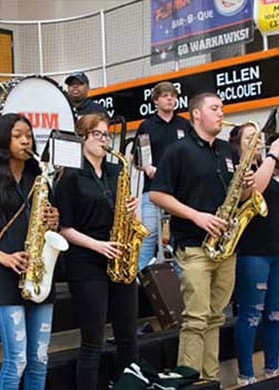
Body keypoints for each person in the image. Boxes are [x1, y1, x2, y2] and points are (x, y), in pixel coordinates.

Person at [149, 92, 255, 380]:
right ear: (196, 114)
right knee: (196, 320)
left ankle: (211, 380)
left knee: (216, 318)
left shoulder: (227, 151)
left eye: (222, 108)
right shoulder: (178, 150)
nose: (221, 113)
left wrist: (246, 186)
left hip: (226, 247)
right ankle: (190, 380)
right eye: (214, 108)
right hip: (195, 247)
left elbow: (240, 196)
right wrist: (196, 215)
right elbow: (157, 193)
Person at [0, 113, 60, 389]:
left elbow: (50, 225)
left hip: (39, 275)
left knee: (39, 359)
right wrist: (5, 258)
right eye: (18, 135)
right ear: (3, 139)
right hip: (6, 279)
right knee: (16, 360)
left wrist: (54, 220)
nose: (25, 141)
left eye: (28, 135)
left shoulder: (39, 179)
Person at [56, 112, 139, 389]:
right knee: (93, 341)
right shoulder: (70, 176)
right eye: (97, 134)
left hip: (119, 256)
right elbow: (64, 228)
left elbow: (129, 220)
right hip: (86, 261)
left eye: (106, 134)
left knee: (128, 336)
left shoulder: (118, 171)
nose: (104, 140)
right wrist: (98, 246)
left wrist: (132, 213)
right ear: (83, 137)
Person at [229, 125, 279, 385]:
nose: (257, 142)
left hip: (276, 250)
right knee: (251, 313)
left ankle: (273, 368)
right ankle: (245, 374)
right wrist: (272, 156)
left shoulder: (269, 167)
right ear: (237, 143)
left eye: (259, 138)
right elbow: (256, 190)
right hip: (253, 251)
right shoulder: (240, 169)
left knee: (275, 313)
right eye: (250, 138)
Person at [133, 81, 191, 270]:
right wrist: (148, 167)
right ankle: (137, 281)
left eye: (173, 95)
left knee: (179, 238)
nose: (170, 99)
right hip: (153, 189)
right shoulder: (146, 126)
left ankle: (178, 286)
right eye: (165, 96)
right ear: (156, 100)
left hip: (181, 192)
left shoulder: (185, 124)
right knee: (149, 236)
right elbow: (139, 158)